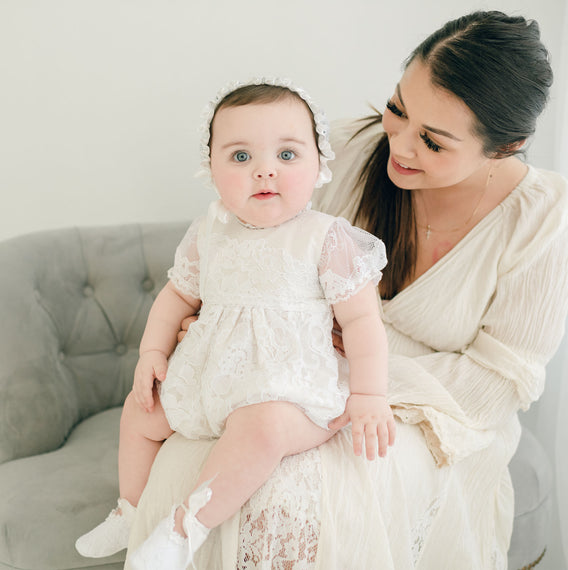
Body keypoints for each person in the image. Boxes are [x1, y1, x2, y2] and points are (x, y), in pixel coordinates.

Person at [123, 11, 568, 570]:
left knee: (294, 486)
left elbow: (499, 381)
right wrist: (214, 325)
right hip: (300, 372)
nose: (400, 146)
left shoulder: (544, 218)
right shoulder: (343, 153)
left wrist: (361, 379)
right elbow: (266, 266)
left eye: (432, 141)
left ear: (507, 147)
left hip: (436, 410)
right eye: (399, 109)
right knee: (208, 461)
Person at [75, 78, 395, 568]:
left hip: (289, 385)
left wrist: (369, 394)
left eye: (287, 156)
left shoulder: (323, 239)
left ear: (318, 164)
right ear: (211, 169)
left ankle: (183, 530)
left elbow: (362, 322)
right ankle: (129, 509)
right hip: (212, 375)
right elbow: (175, 297)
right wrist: (152, 354)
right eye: (241, 157)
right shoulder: (210, 231)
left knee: (262, 429)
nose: (265, 170)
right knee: (141, 412)